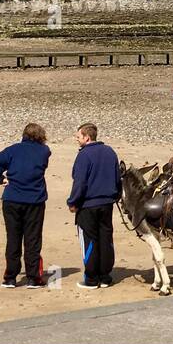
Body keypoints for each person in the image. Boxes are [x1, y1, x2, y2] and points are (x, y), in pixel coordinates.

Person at [0, 123, 51, 288]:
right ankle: (33, 277)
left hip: (12, 200)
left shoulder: (13, 150)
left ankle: (10, 277)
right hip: (34, 201)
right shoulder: (44, 151)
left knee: (13, 238)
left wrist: (0, 179)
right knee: (32, 239)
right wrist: (1, 179)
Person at [67, 123, 121, 289]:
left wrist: (73, 202)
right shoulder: (110, 152)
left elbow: (80, 182)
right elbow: (118, 178)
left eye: (78, 136)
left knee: (89, 239)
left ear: (87, 137)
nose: (77, 139)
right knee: (105, 238)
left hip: (88, 204)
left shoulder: (85, 155)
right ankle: (105, 276)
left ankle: (92, 278)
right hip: (106, 203)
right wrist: (116, 196)